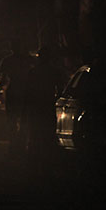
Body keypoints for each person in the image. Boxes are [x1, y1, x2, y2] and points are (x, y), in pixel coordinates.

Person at [25, 46, 67, 181]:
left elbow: (28, 92)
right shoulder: (55, 72)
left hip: (36, 107)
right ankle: (46, 168)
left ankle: (34, 169)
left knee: (35, 137)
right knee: (47, 138)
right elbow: (61, 90)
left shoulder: (34, 72)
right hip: (47, 107)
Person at [0, 40, 32, 157]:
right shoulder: (26, 60)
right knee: (22, 120)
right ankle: (20, 145)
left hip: (14, 91)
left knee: (12, 119)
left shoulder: (8, 60)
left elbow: (3, 77)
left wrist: (0, 89)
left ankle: (14, 146)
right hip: (23, 91)